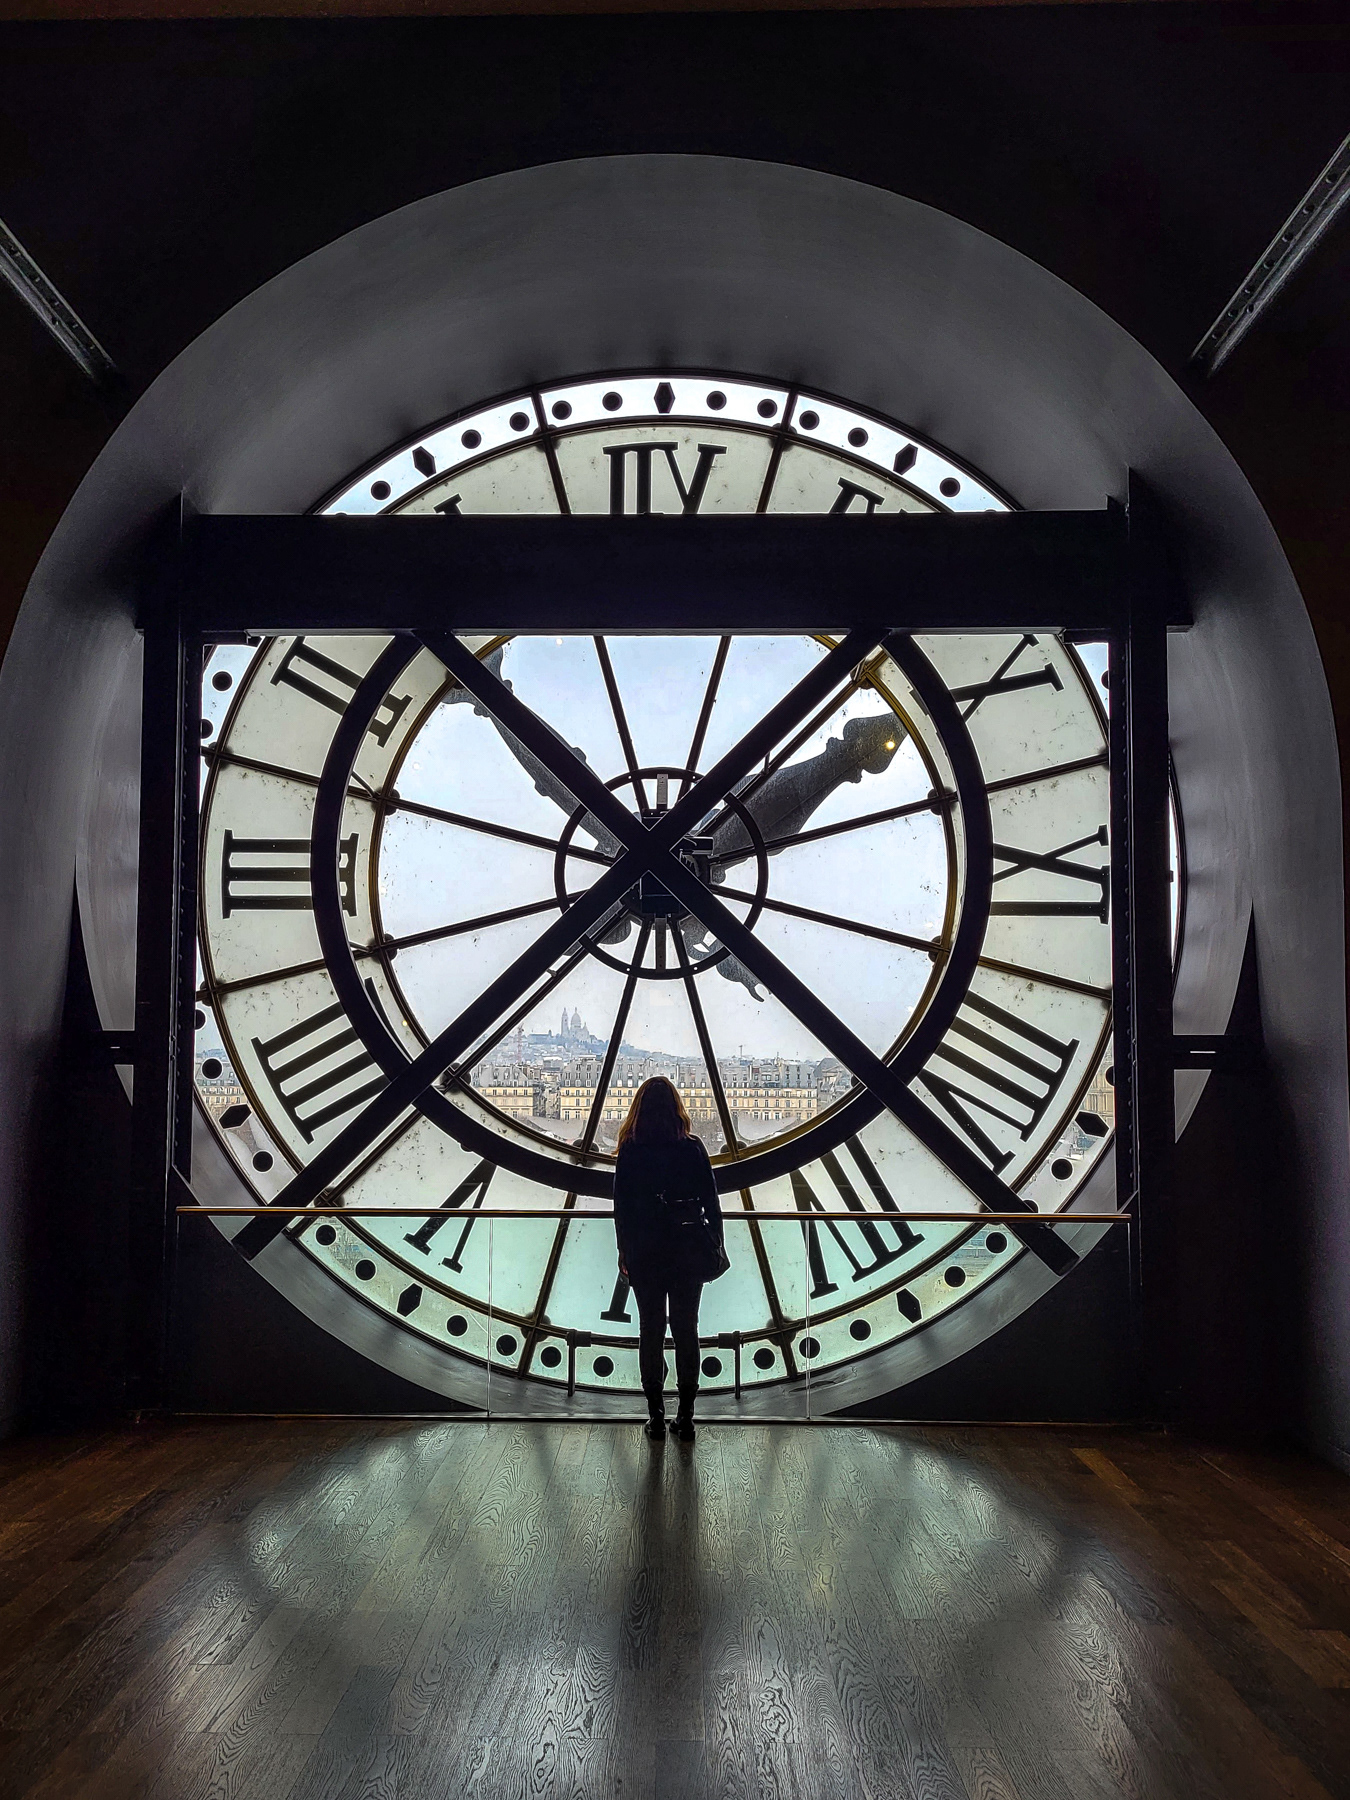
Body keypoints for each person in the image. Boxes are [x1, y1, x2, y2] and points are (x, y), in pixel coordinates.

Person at [613, 1076, 724, 1443]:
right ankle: (686, 1415)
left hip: (645, 1251)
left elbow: (622, 1208)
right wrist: (714, 1243)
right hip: (686, 1251)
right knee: (686, 1330)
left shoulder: (631, 1150)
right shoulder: (691, 1148)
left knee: (651, 1331)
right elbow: (711, 1202)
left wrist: (625, 1250)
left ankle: (656, 1415)